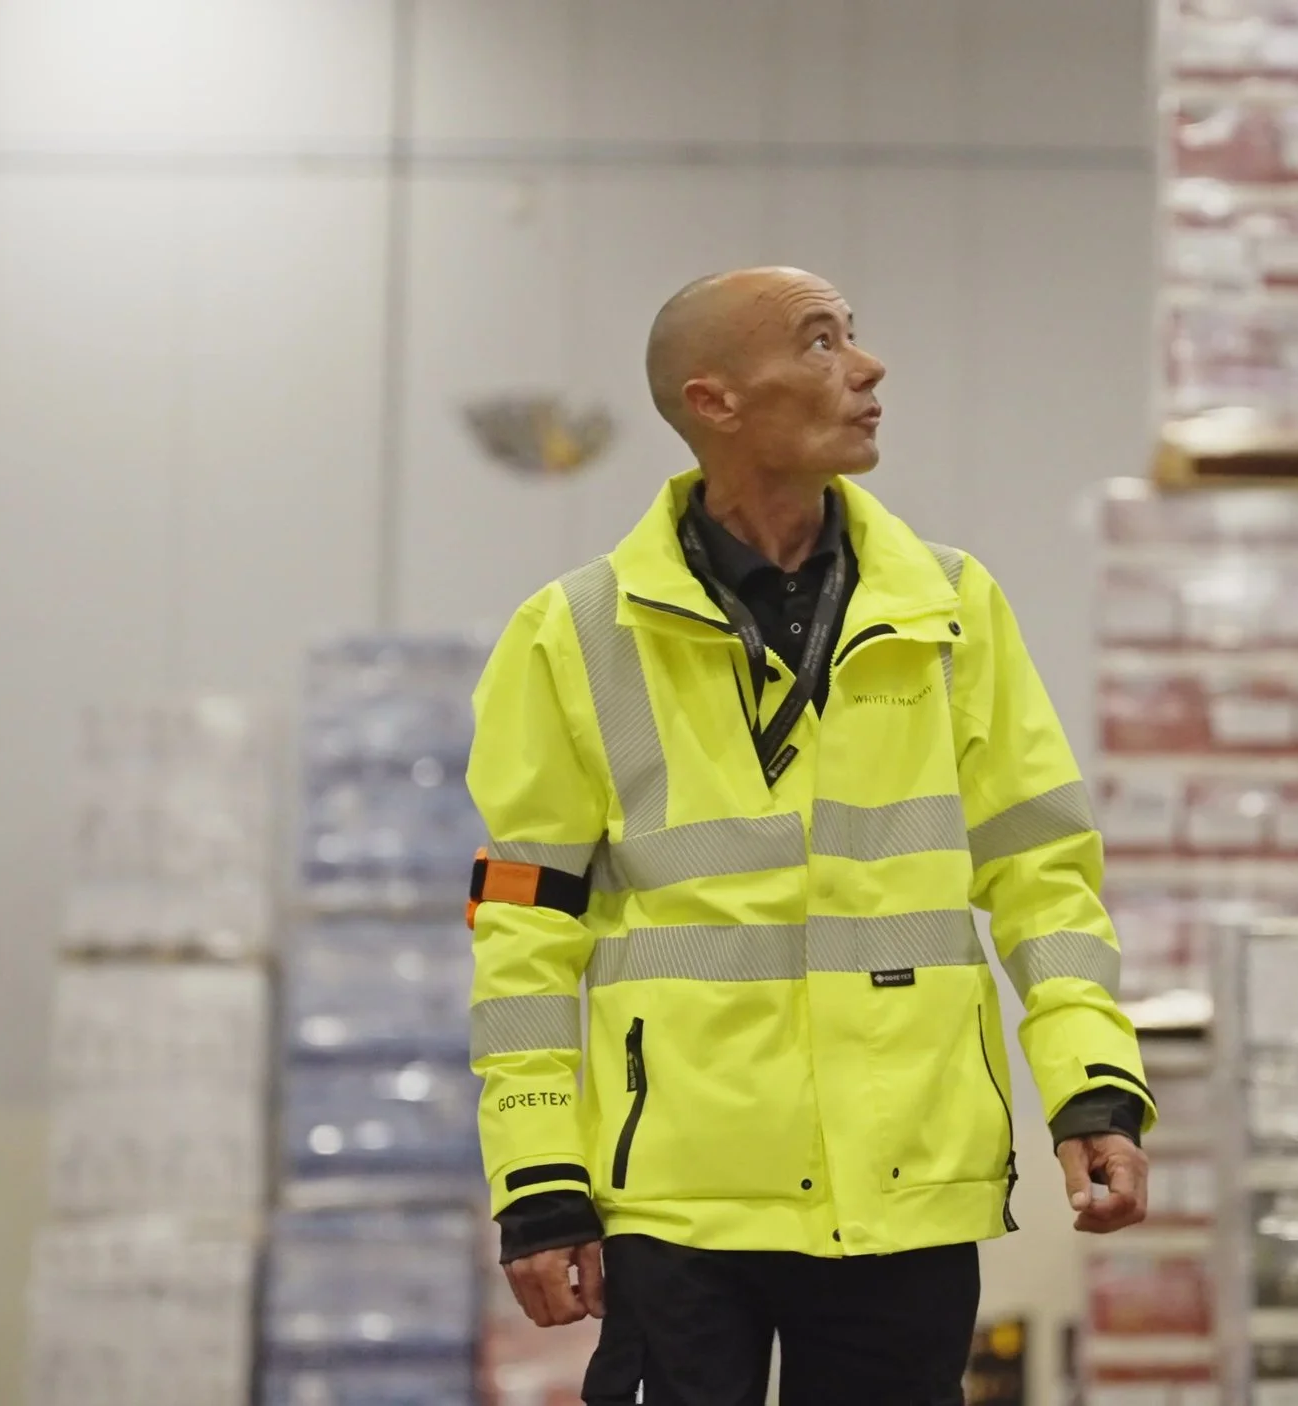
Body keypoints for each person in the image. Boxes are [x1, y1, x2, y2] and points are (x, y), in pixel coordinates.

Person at [464, 266, 1154, 1406]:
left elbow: (1043, 876)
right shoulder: (575, 633)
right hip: (680, 1206)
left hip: (907, 1190)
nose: (868, 368)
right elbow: (524, 932)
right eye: (821, 341)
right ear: (715, 401)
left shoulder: (950, 608)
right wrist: (537, 1173)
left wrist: (1092, 1084)